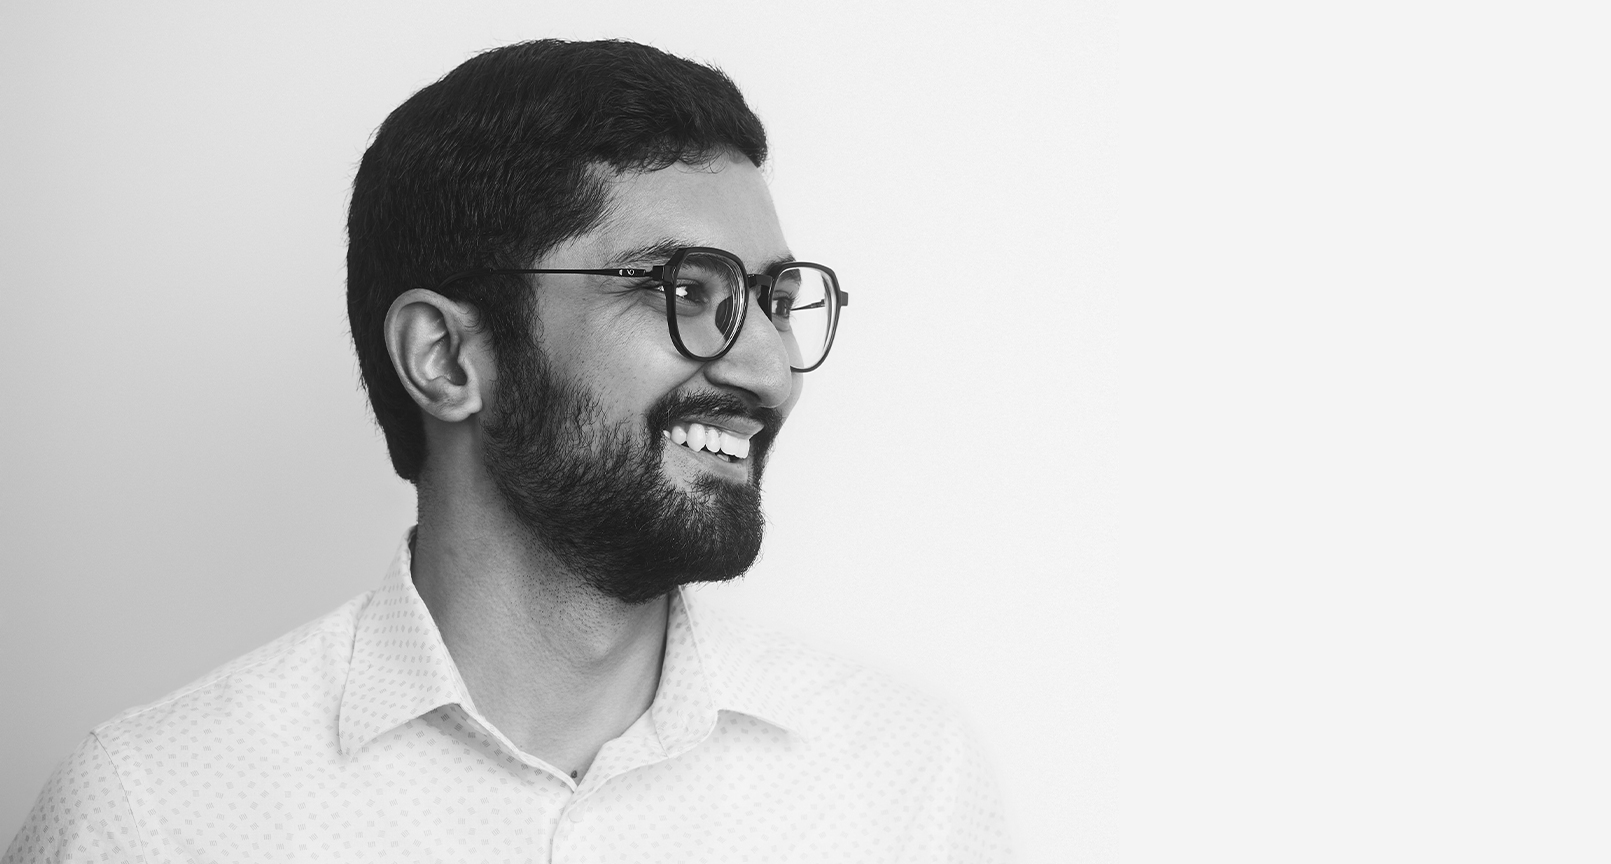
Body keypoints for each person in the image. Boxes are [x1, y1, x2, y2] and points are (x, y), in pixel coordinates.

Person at [5, 39, 1007, 863]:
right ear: (446, 358)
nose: (770, 369)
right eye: (682, 291)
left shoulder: (903, 787)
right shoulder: (151, 816)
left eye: (774, 301)